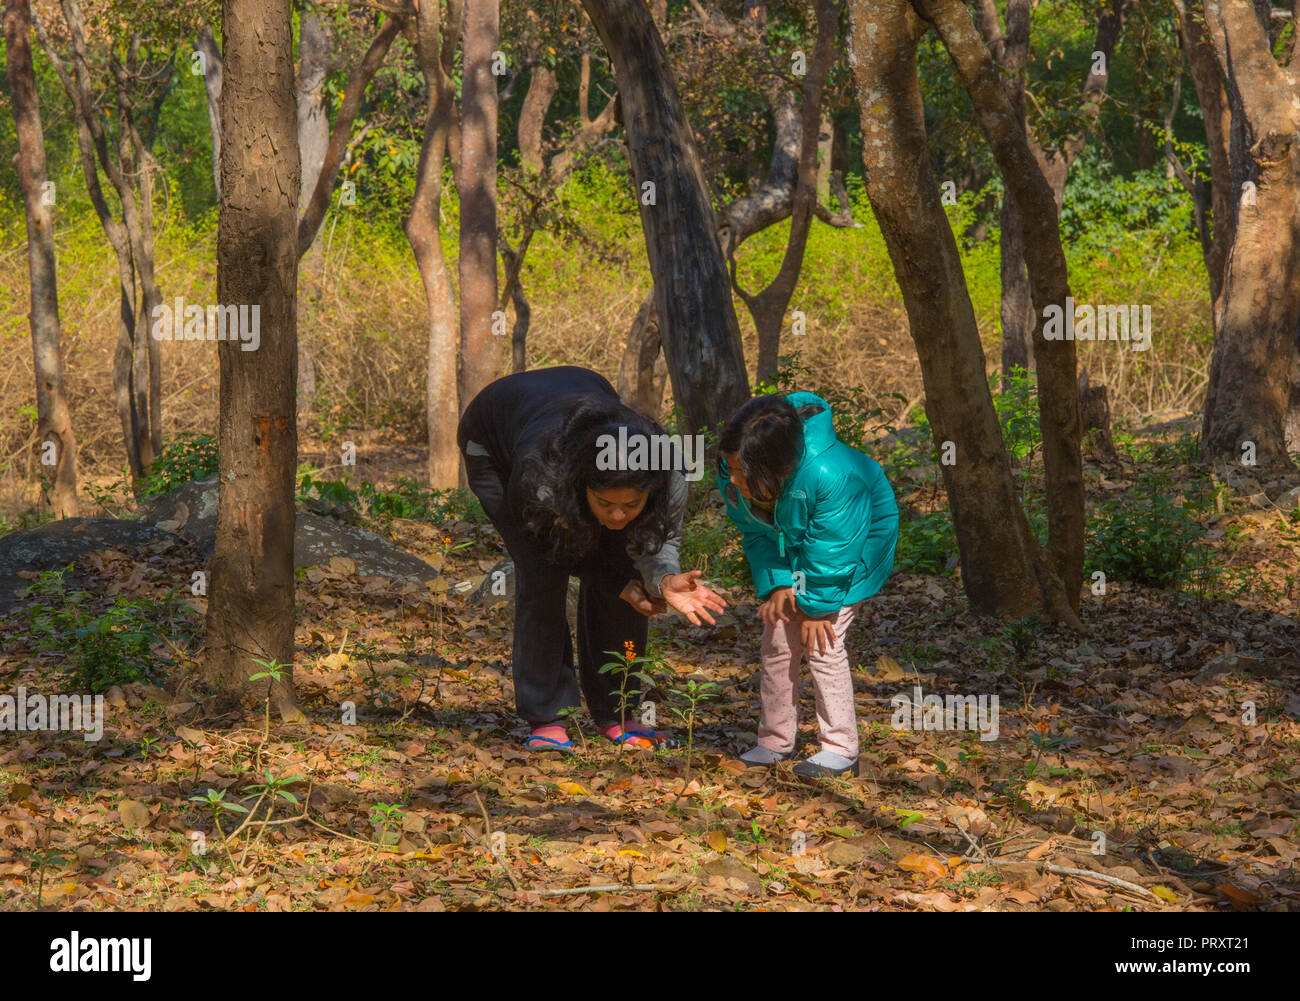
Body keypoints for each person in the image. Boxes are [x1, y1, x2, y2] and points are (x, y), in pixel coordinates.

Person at [458, 366, 727, 752]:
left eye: (631, 505)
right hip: (493, 439)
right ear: (582, 486)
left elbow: (658, 543)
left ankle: (618, 711)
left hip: (580, 394)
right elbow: (553, 548)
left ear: (650, 492)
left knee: (627, 573)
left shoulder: (669, 471)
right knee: (542, 572)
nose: (618, 517)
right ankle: (547, 715)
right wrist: (620, 584)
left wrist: (662, 580)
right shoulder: (544, 478)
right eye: (605, 504)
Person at [718, 392, 898, 777]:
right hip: (800, 549)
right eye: (730, 467)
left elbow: (834, 548)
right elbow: (757, 532)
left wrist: (819, 608)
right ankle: (774, 740)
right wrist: (780, 585)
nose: (733, 479)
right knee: (778, 638)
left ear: (775, 466)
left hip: (854, 551)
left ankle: (840, 747)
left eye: (741, 471)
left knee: (823, 644)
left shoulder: (832, 474)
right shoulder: (736, 466)